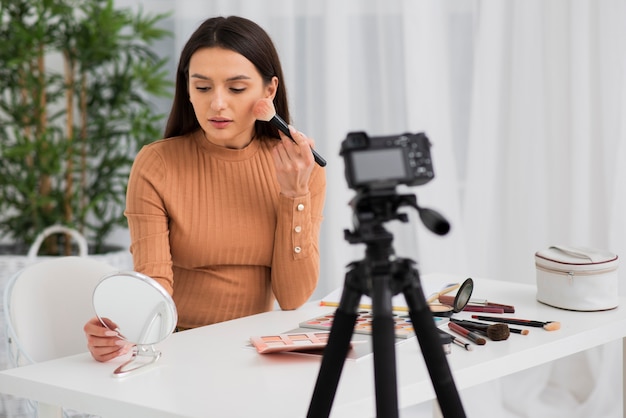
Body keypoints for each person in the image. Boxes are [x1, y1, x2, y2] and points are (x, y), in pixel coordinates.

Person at [84, 15, 326, 362]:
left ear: (268, 91)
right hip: (177, 349)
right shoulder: (158, 164)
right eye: (202, 87)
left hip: (259, 350)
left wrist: (294, 196)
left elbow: (292, 297)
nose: (217, 103)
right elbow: (154, 283)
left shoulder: (302, 169)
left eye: (237, 88)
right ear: (187, 89)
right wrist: (125, 332)